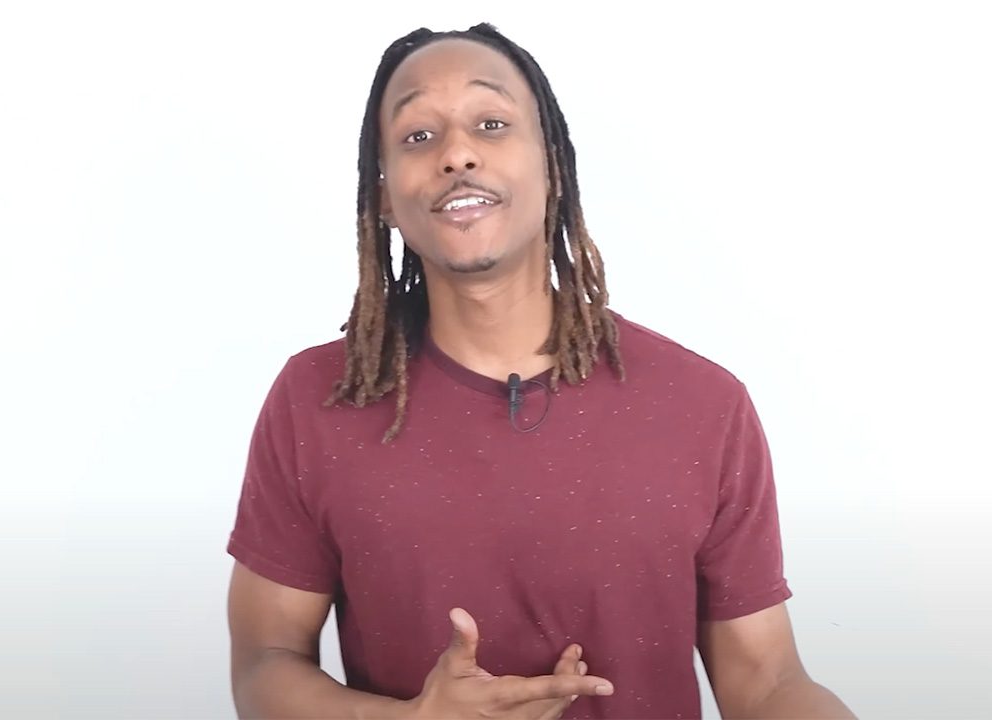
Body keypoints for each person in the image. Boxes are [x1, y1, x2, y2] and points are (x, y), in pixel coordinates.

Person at [225, 22, 856, 720]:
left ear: (553, 166)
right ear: (383, 198)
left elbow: (766, 682)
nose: (457, 154)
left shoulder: (704, 405)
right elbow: (264, 663)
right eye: (418, 136)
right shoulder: (314, 401)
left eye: (491, 124)